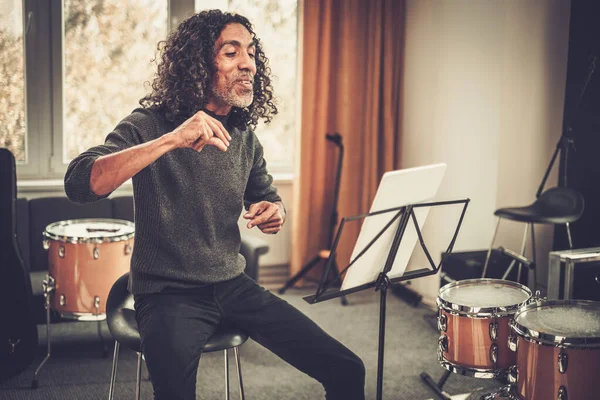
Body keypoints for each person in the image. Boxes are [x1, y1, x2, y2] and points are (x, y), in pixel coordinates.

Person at [64, 9, 365, 400]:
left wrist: (276, 211)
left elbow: (266, 196)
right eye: (231, 52)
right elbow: (79, 183)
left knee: (347, 368)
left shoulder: (243, 136)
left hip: (232, 284)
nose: (248, 64)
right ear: (198, 64)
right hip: (167, 292)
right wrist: (171, 139)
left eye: (252, 53)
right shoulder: (149, 125)